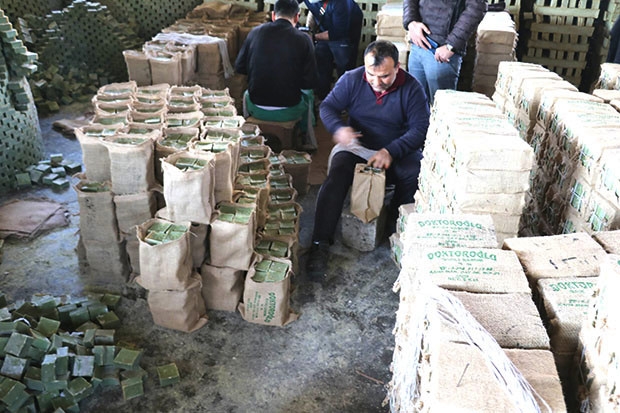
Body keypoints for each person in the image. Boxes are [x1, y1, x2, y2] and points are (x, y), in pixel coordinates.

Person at [306, 40, 430, 281]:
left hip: (397, 149)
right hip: (358, 147)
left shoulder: (413, 89)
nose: (376, 82)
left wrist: (391, 150)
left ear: (397, 67)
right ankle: (320, 242)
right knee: (336, 175)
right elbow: (328, 107)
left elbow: (420, 129)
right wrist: (339, 128)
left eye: (384, 76)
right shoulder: (352, 79)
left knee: (413, 173)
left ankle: (396, 226)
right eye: (371, 74)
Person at [235, 0, 318, 137]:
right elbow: (310, 82)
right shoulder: (304, 39)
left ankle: (248, 135)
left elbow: (240, 68)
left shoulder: (254, 33)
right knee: (308, 94)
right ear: (297, 17)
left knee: (246, 94)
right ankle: (307, 138)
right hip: (289, 109)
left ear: (273, 15)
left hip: (256, 107)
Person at [403, 0, 487, 104]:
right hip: (418, 45)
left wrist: (451, 45)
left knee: (441, 109)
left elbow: (477, 7)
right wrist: (411, 22)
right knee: (415, 105)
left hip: (441, 51)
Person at [300, 0, 363, 100]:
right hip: (325, 26)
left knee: (344, 65)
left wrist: (313, 37)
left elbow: (338, 33)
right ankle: (323, 98)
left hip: (345, 32)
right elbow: (287, 4)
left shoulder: (341, 3)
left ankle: (346, 101)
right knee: (320, 60)